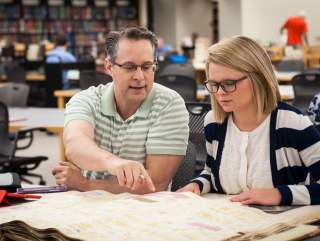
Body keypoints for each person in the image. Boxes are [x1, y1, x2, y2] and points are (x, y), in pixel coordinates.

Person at [177, 36, 320, 206]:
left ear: (257, 78)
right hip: (230, 222)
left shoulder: (293, 124)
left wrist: (280, 195)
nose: (220, 92)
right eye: (214, 84)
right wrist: (198, 184)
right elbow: (211, 173)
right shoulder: (214, 122)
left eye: (229, 83)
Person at [52, 27, 189, 194]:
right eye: (130, 67)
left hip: (145, 210)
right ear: (109, 67)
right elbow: (75, 144)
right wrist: (113, 163)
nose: (139, 77)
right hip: (89, 207)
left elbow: (156, 183)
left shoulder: (169, 104)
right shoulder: (86, 99)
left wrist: (85, 184)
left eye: (147, 67)